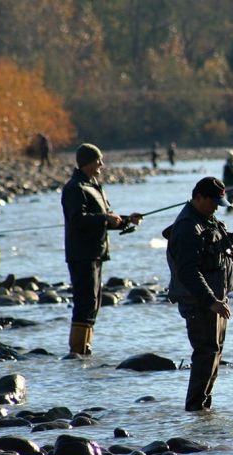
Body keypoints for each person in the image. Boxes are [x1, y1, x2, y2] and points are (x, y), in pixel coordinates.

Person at [164, 177, 233, 411]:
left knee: (214, 352)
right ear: (198, 197)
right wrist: (211, 301)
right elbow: (188, 271)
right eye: (213, 201)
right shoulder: (187, 227)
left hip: (215, 299)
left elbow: (213, 252)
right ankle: (195, 408)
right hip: (200, 302)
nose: (216, 206)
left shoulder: (206, 219)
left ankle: (204, 411)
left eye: (218, 202)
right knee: (206, 353)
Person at [61, 143, 142, 356]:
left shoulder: (94, 186)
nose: (102, 164)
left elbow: (106, 219)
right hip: (81, 255)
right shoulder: (74, 188)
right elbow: (78, 220)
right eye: (99, 160)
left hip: (95, 253)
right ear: (88, 162)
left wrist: (126, 221)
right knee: (85, 301)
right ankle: (76, 350)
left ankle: (85, 350)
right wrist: (106, 218)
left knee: (93, 302)